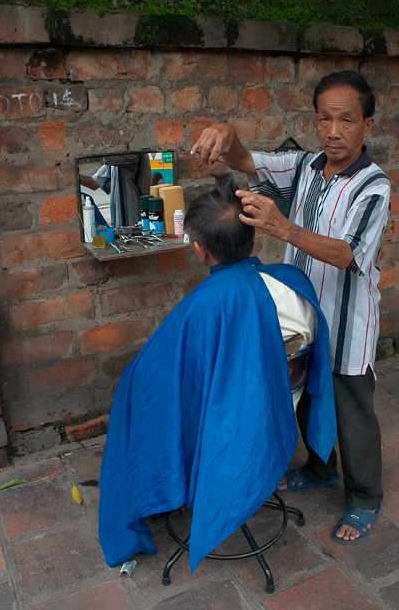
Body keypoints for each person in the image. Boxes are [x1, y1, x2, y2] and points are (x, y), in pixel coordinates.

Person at [191, 70, 391, 544]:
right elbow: (245, 159)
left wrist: (285, 229)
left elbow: (347, 254)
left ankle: (365, 498)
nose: (334, 131)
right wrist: (225, 137)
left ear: (368, 124)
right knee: (307, 393)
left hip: (347, 320)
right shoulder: (304, 166)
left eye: (346, 120)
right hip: (303, 313)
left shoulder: (374, 187)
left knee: (351, 409)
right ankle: (322, 470)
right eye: (325, 119)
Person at [99, 176, 336, 571]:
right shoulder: (293, 284)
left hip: (232, 420)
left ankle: (170, 483)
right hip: (274, 408)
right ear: (254, 238)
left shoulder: (206, 306)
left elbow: (159, 378)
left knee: (136, 393)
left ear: (199, 250)